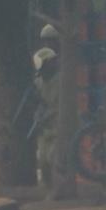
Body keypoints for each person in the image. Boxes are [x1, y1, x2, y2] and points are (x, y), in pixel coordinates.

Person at [32, 47, 60, 188]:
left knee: (54, 158)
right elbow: (39, 103)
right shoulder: (39, 82)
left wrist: (45, 116)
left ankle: (57, 188)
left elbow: (58, 106)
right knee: (43, 161)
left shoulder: (61, 81)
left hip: (58, 128)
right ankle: (47, 189)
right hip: (44, 129)